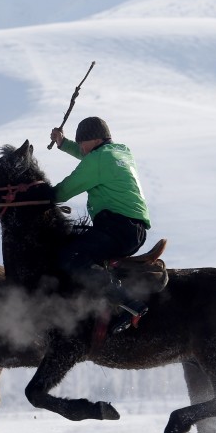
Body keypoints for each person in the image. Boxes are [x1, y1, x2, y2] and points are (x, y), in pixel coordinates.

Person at [49, 116, 151, 333]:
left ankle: (130, 304)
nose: (81, 150)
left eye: (80, 144)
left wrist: (37, 196)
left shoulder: (96, 161)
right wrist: (63, 144)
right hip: (132, 229)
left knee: (69, 256)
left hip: (117, 228)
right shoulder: (121, 152)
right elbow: (90, 157)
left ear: (93, 140)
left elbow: (64, 191)